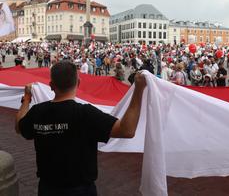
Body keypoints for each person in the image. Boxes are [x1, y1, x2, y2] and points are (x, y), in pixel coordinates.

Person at [15, 61, 147, 196]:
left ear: (51, 85)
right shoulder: (85, 114)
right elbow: (127, 130)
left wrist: (26, 98)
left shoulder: (38, 111)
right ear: (78, 83)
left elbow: (19, 126)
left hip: (47, 188)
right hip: (80, 190)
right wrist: (139, 90)